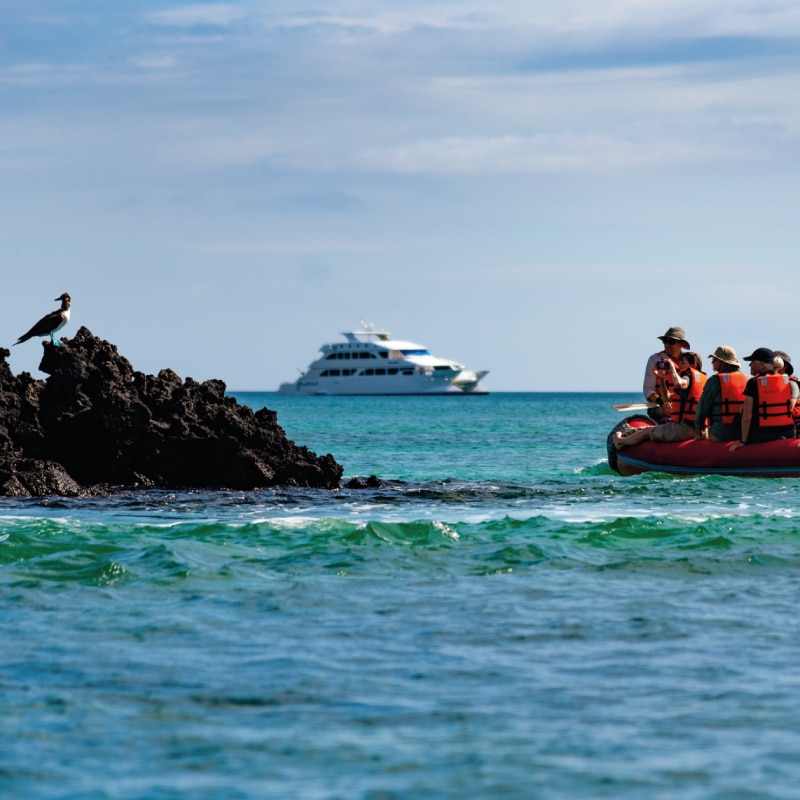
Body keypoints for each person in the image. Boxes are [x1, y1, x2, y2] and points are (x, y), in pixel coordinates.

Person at [615, 351, 706, 450]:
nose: (679, 366)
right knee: (649, 429)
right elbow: (666, 398)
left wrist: (671, 368)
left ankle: (620, 442)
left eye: (682, 363)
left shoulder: (687, 378)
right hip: (698, 429)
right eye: (679, 363)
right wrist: (661, 378)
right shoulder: (701, 381)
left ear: (693, 365)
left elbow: (679, 383)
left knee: (647, 432)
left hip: (684, 429)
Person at [729, 348, 797, 451]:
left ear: (761, 364)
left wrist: (743, 442)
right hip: (788, 433)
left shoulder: (753, 383)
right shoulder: (788, 381)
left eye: (752, 362)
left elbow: (747, 416)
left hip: (763, 435)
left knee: (738, 418)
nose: (749, 365)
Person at [693, 346, 746, 442]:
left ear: (723, 362)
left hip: (721, 433)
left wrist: (699, 427)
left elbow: (703, 407)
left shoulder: (714, 380)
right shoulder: (747, 379)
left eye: (714, 359)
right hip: (744, 433)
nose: (712, 362)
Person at [643, 327, 690, 421]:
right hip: (658, 406)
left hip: (683, 405)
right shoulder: (655, 359)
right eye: (665, 341)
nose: (667, 345)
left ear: (681, 344)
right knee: (670, 411)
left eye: (671, 342)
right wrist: (663, 403)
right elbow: (648, 390)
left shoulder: (688, 361)